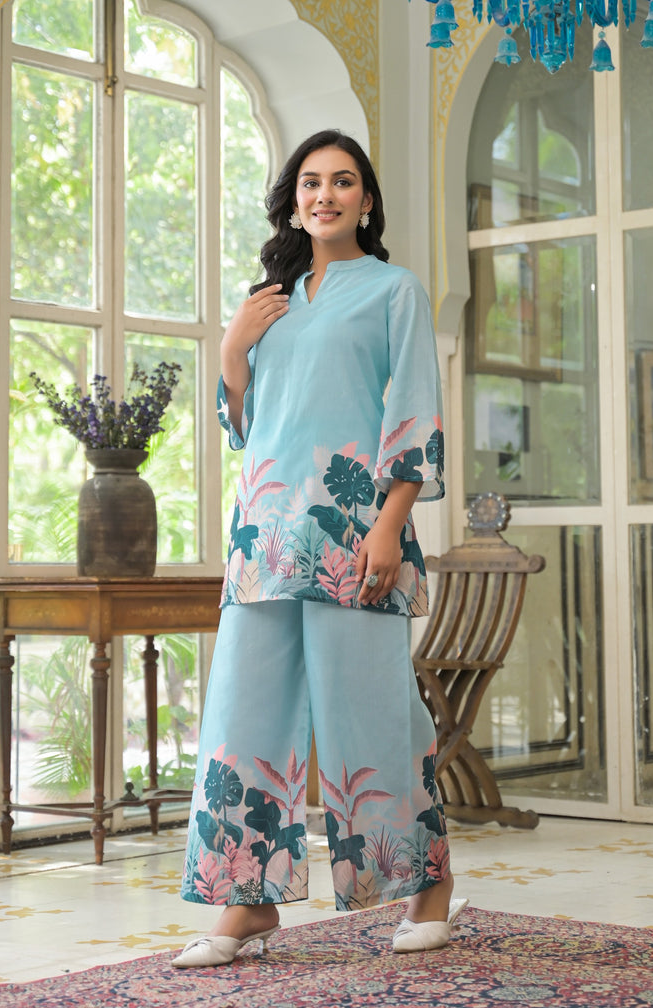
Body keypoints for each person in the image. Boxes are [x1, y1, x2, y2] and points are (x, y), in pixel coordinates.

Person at [172, 129, 466, 969]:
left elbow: (414, 411)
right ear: (293, 197)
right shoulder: (268, 299)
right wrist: (232, 347)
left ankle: (427, 885)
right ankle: (247, 902)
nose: (324, 195)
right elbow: (245, 425)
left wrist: (389, 524)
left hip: (353, 533)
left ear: (366, 201)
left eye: (342, 182)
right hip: (262, 535)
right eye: (310, 181)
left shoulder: (395, 291)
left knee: (371, 715)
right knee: (242, 716)